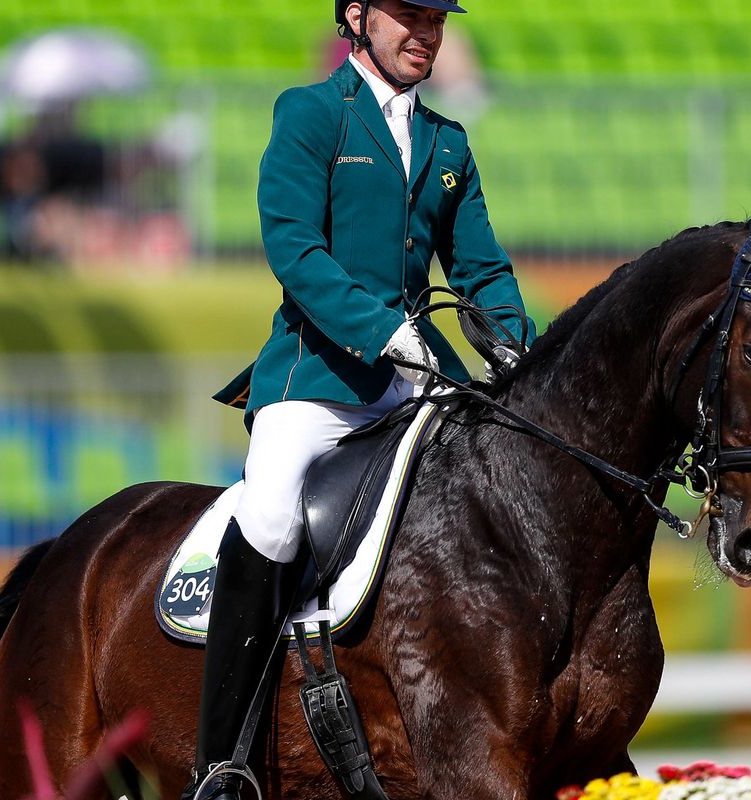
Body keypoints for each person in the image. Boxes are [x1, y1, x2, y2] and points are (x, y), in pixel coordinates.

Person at [185, 0, 535, 797]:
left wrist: (511, 338)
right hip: (318, 377)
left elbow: (479, 268)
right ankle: (221, 766)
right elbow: (296, 250)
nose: (425, 31)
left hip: (419, 380)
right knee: (270, 513)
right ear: (356, 18)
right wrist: (380, 331)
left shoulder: (449, 142)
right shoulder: (311, 114)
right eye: (406, 15)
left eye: (436, 18)